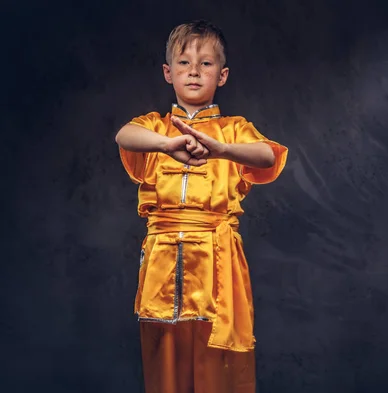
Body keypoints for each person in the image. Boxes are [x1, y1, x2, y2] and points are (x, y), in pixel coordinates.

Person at [115, 20, 288, 393]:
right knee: (164, 366)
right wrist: (166, 145)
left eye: (206, 63)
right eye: (183, 62)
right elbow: (123, 135)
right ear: (167, 72)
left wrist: (220, 150)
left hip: (216, 265)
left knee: (217, 368)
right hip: (163, 262)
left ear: (222, 76)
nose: (194, 71)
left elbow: (266, 155)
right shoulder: (154, 128)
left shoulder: (233, 130)